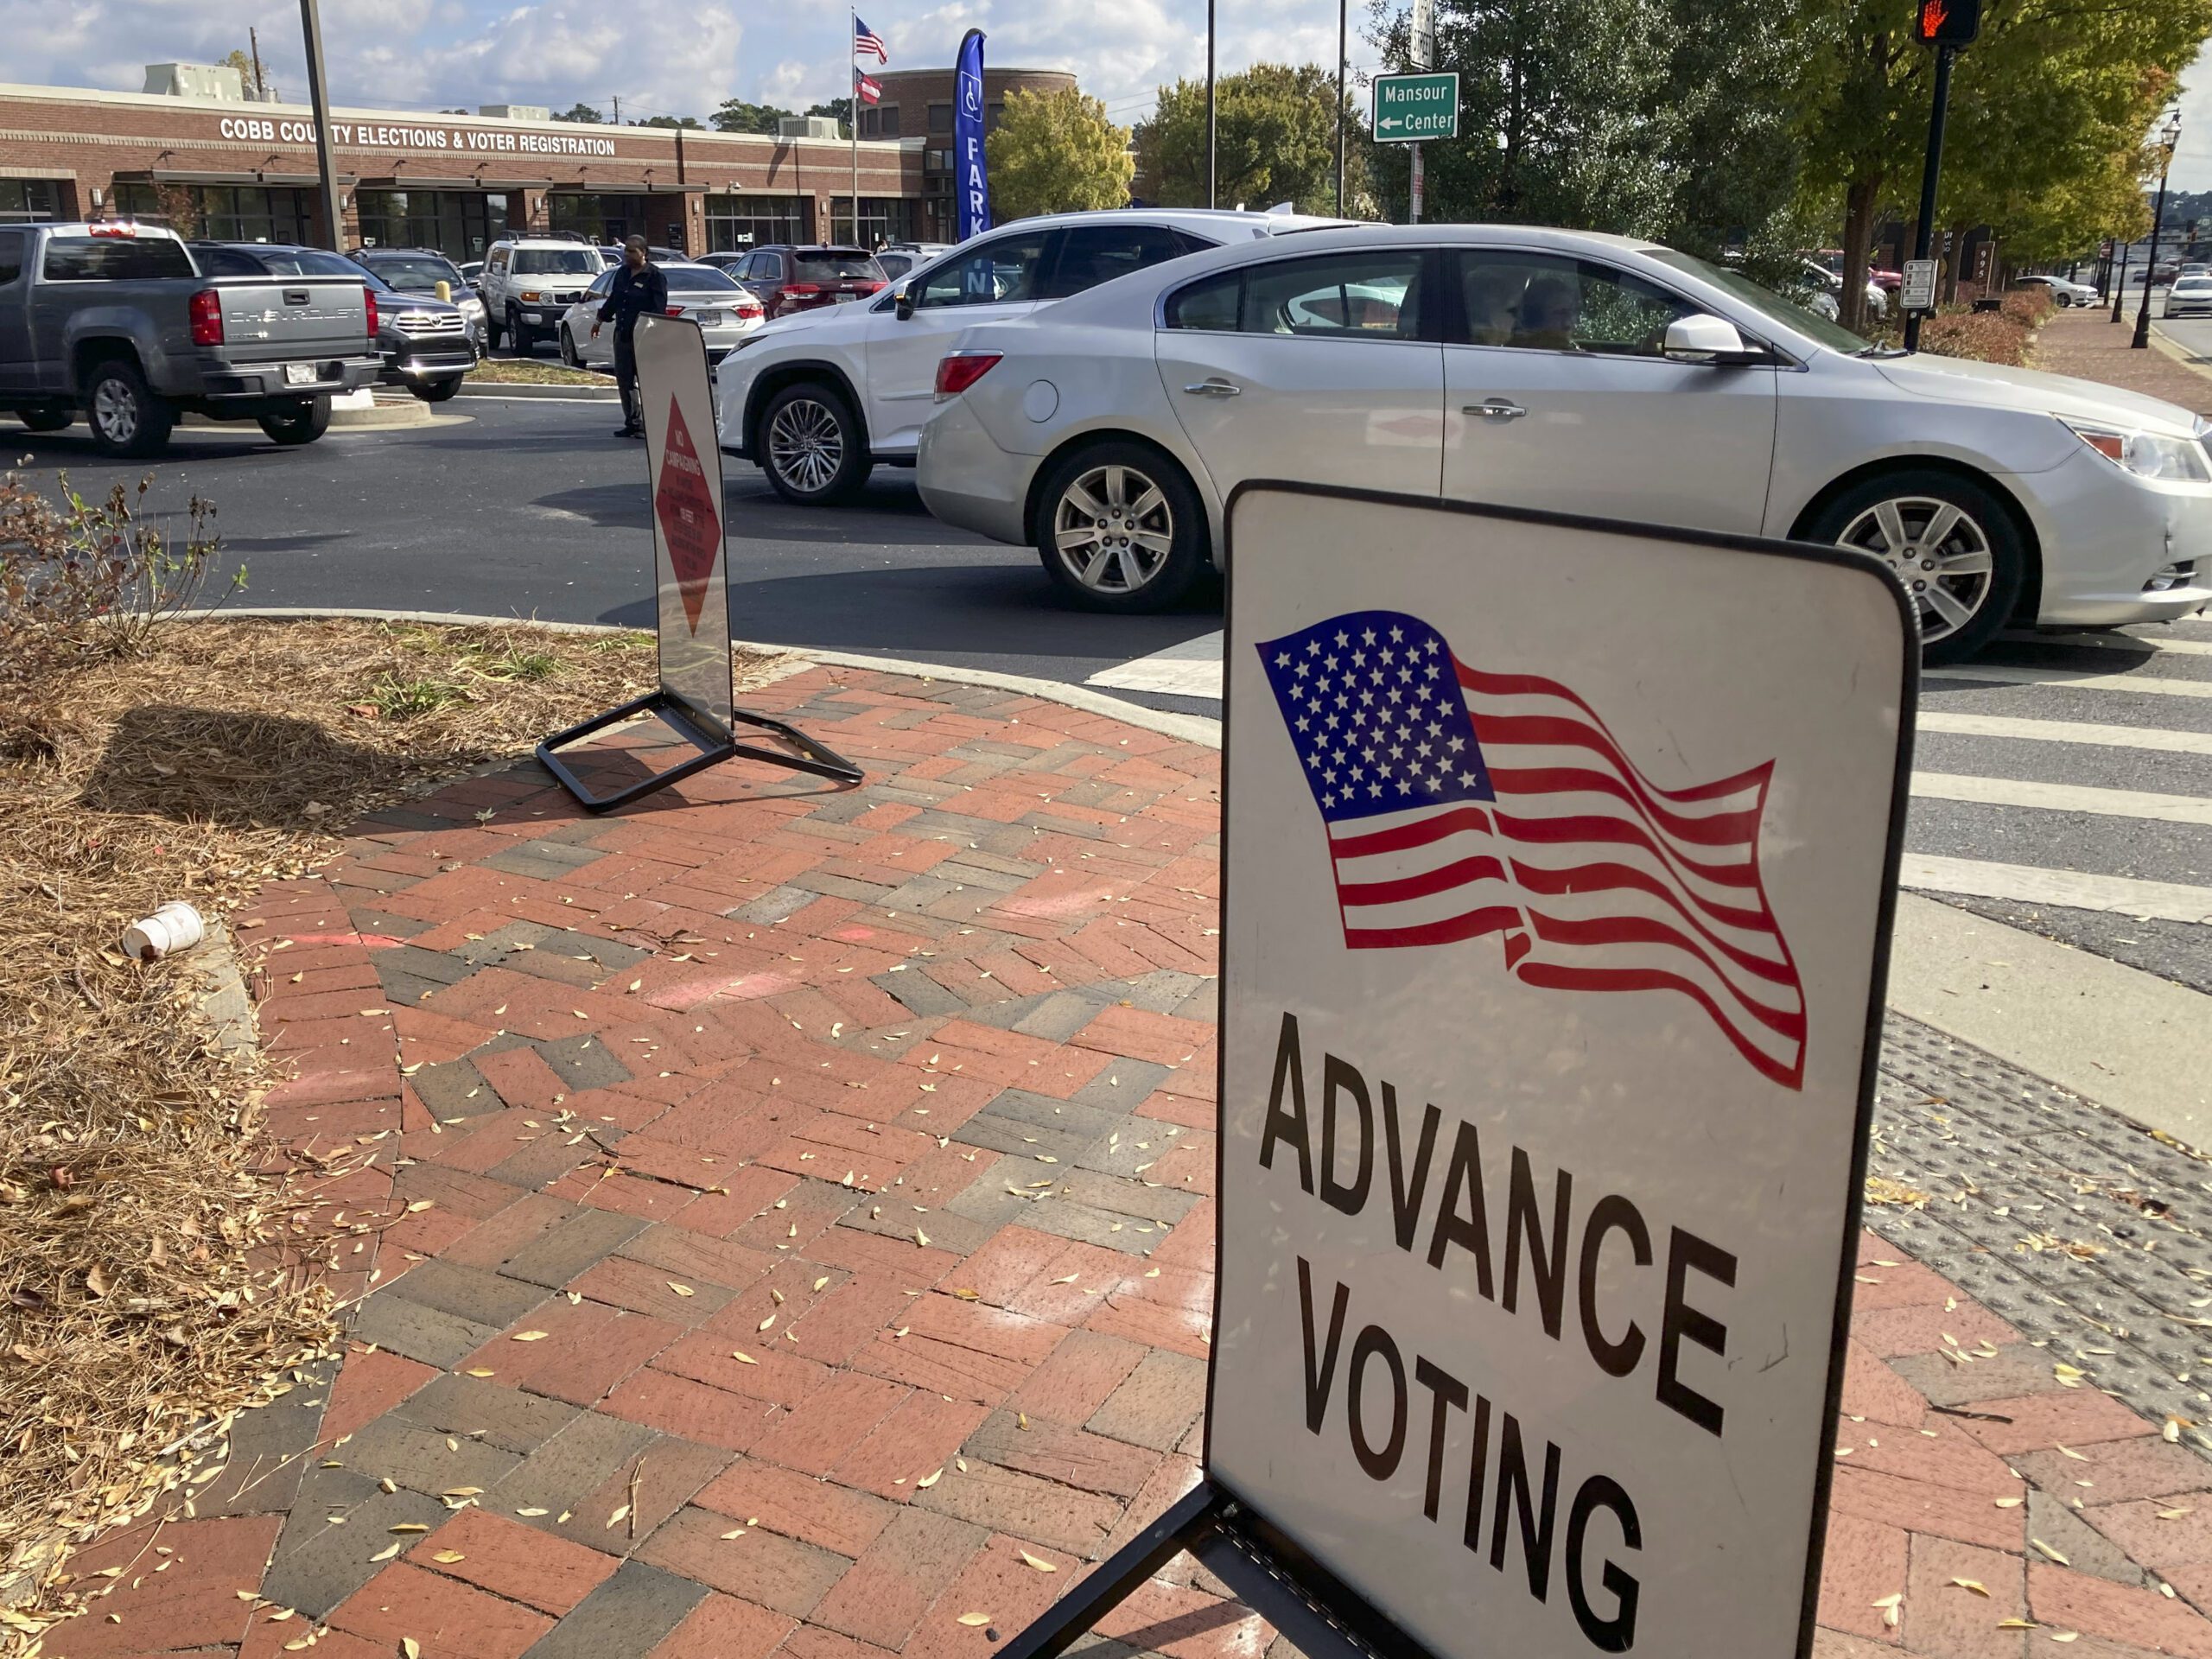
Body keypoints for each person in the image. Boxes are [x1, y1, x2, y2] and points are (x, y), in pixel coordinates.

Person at [593, 236, 668, 439]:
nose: (627, 255)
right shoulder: (622, 273)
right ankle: (633, 423)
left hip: (645, 338)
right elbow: (615, 299)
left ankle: (654, 422)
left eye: (632, 251)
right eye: (626, 251)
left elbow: (659, 309)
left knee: (647, 381)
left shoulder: (654, 276)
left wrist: (649, 331)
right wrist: (600, 319)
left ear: (643, 253)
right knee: (624, 380)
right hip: (623, 335)